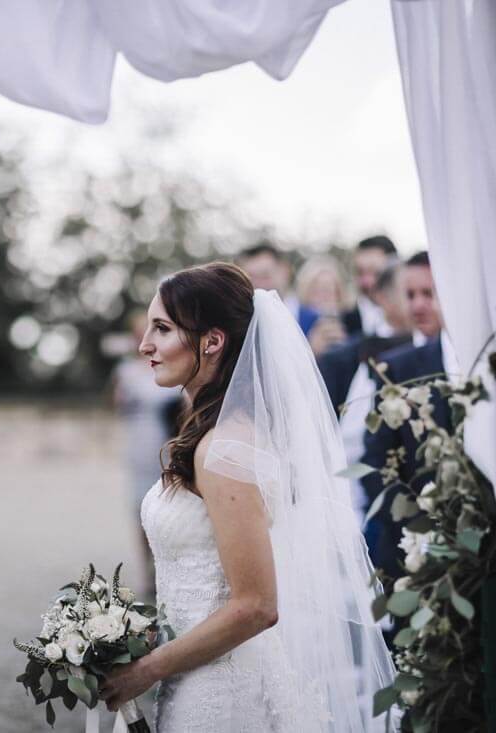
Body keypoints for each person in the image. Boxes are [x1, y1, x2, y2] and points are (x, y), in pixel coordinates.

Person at [99, 263, 395, 731]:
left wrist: (146, 670)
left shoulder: (225, 452)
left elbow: (257, 605)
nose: (145, 345)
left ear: (212, 341)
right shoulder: (211, 436)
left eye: (163, 329)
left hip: (222, 694)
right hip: (193, 670)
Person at [360, 251, 454, 583]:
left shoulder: (488, 363)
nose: (417, 306)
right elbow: (375, 464)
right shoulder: (393, 369)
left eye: (429, 294)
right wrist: (418, 533)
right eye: (410, 295)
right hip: (411, 560)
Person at [317, 264, 413, 527]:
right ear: (383, 297)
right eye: (410, 294)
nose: (418, 304)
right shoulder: (347, 359)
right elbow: (347, 445)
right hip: (369, 510)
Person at [110, 309, 180, 592]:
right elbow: (117, 406)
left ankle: (169, 566)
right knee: (140, 508)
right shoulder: (125, 371)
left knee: (171, 508)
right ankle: (147, 569)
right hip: (139, 442)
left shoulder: (172, 365)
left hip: (169, 444)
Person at [235, 243, 318, 333]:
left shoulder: (316, 322)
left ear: (285, 272)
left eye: (265, 275)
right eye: (250, 278)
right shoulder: (238, 323)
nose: (258, 285)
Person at [297, 255, 352, 357]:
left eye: (328, 291)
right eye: (317, 291)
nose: (323, 297)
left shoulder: (351, 321)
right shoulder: (295, 323)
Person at [343, 235, 398, 337]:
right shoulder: (343, 324)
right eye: (360, 272)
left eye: (375, 272)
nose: (366, 281)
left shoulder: (415, 319)